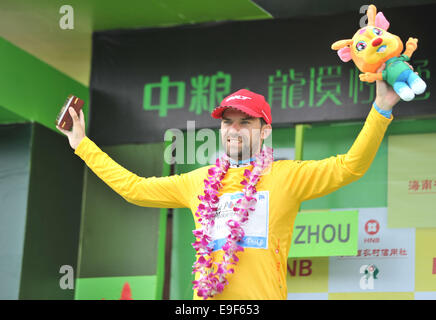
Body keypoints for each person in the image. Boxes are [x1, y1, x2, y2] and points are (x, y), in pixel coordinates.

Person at [57, 63, 403, 300]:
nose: (233, 129)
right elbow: (134, 189)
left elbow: (350, 166)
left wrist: (381, 109)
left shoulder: (287, 177)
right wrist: (82, 145)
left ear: (265, 131)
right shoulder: (198, 181)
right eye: (228, 122)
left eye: (245, 122)